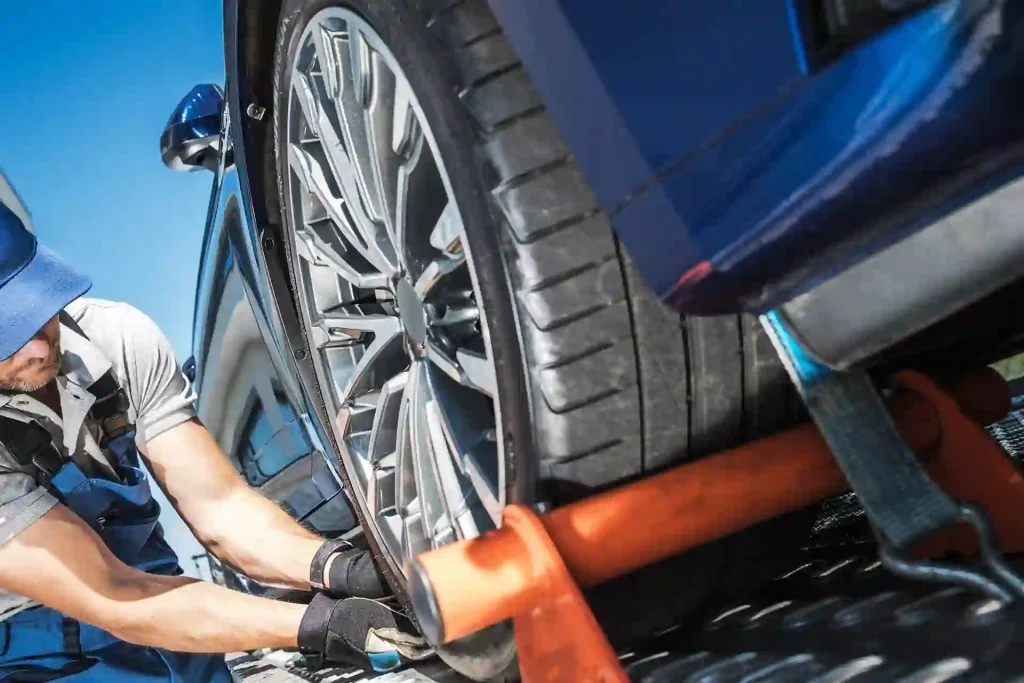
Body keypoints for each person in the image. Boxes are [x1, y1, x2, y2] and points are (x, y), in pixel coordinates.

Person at [0, 200, 429, 680]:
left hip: (177, 605)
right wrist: (321, 624)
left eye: (36, 310)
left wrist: (340, 569)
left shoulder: (115, 336)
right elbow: (114, 593)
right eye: (9, 335)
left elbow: (220, 507)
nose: (39, 347)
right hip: (43, 647)